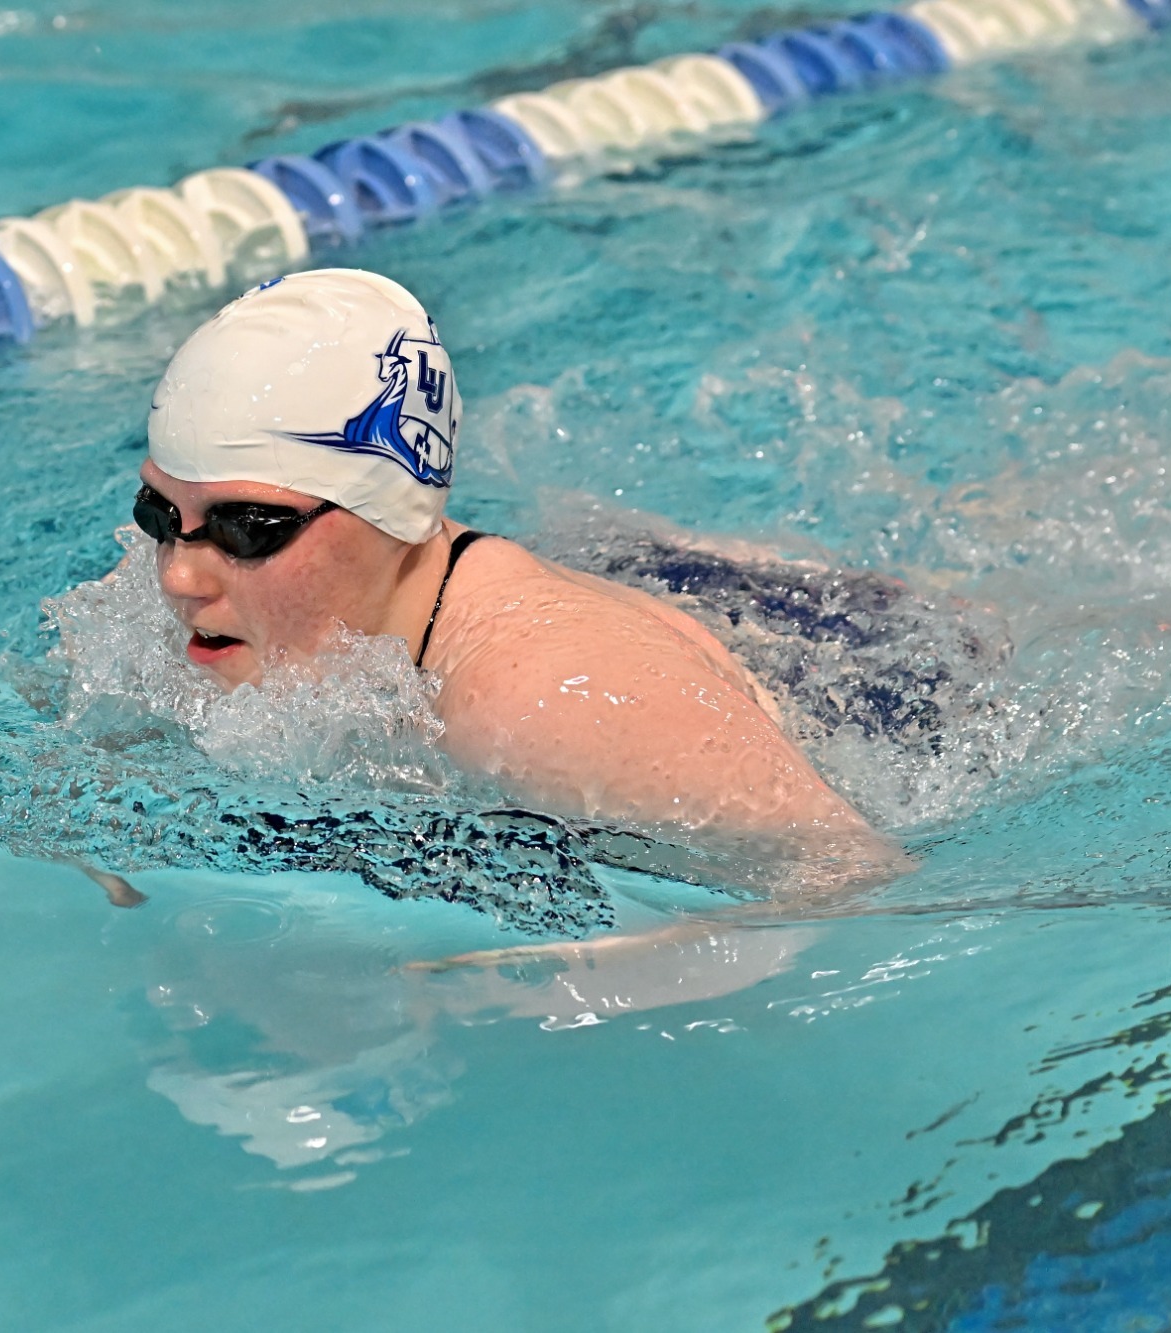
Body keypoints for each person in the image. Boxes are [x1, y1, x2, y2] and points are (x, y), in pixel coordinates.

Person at [134, 267, 910, 908]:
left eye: (249, 527)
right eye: (161, 513)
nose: (178, 572)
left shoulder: (552, 704)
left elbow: (857, 876)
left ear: (393, 513)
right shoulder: (188, 607)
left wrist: (563, 989)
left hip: (871, 671)